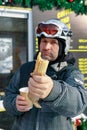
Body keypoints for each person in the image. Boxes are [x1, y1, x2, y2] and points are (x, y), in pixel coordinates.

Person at [3, 18, 87, 130]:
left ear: (63, 47)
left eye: (53, 42)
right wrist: (14, 104)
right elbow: (8, 96)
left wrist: (53, 91)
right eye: (44, 41)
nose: (46, 47)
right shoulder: (25, 69)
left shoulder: (70, 72)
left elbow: (79, 104)